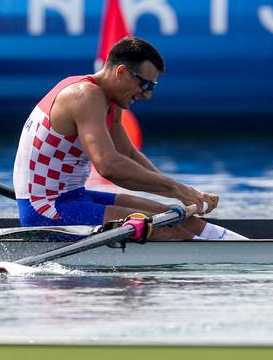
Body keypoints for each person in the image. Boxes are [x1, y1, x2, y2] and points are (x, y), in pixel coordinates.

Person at [13, 36, 246, 240]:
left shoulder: (111, 100)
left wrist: (184, 193)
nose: (148, 94)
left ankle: (243, 250)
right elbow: (109, 166)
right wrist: (175, 187)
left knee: (176, 217)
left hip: (75, 197)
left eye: (152, 86)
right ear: (121, 72)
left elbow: (129, 155)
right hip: (46, 209)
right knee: (172, 232)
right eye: (144, 84)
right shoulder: (84, 95)